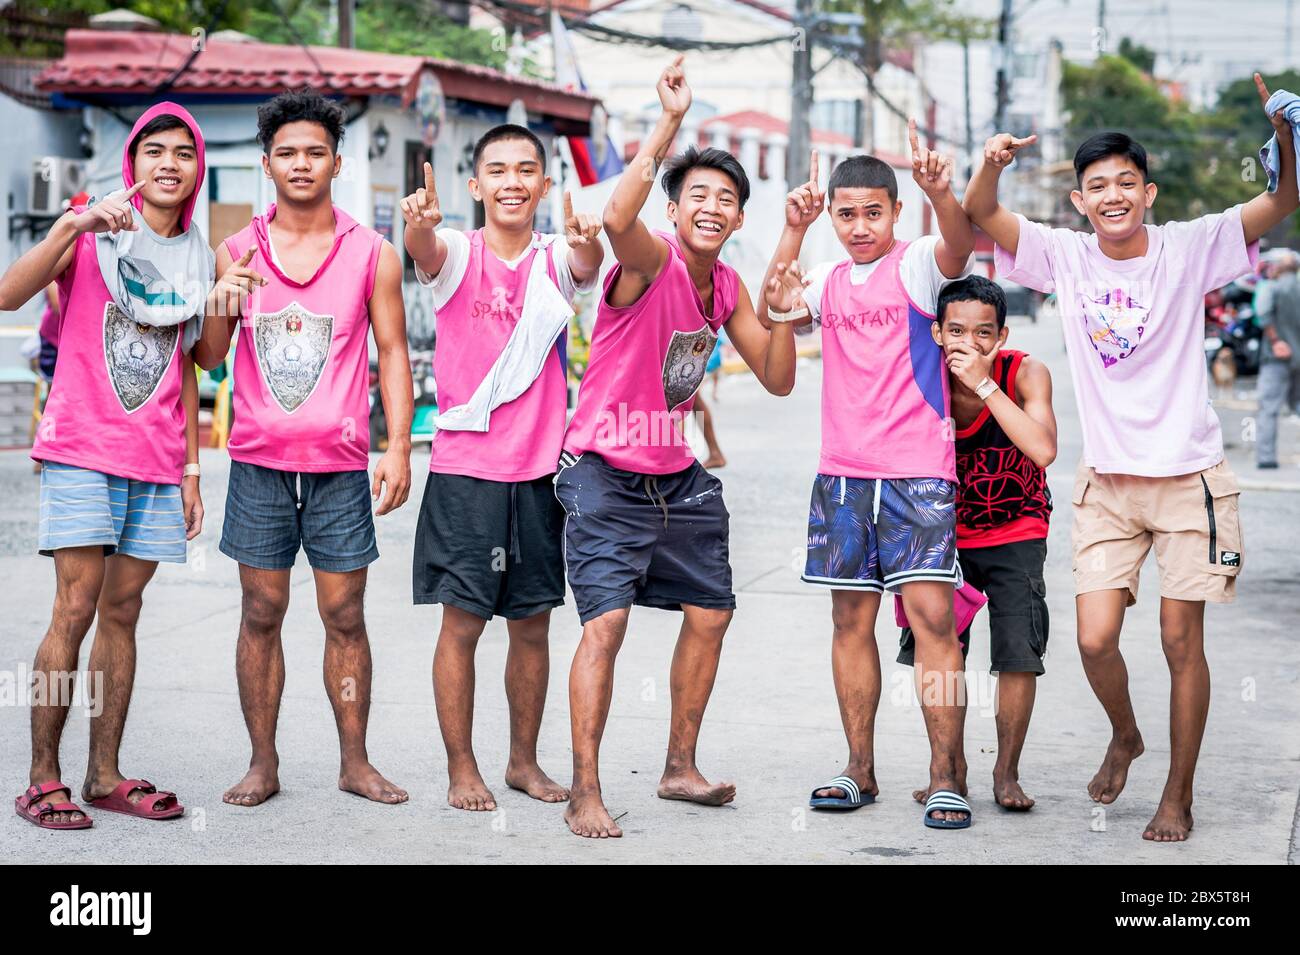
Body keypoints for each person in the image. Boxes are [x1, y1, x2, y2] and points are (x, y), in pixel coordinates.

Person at [963, 73, 1298, 841]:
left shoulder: (1189, 247)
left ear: (1147, 192)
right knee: (1093, 637)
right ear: (1079, 201)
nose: (1111, 194)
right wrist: (992, 161)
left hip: (1188, 480)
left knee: (1182, 641)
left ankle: (1178, 792)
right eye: (1095, 185)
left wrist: (1283, 135)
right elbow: (982, 213)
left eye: (1125, 182)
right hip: (1109, 486)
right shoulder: (1066, 257)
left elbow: (1281, 202)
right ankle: (1126, 732)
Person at [556, 56, 798, 838]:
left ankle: (678, 765)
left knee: (713, 610)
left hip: (674, 476)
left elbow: (777, 376)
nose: (713, 207)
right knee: (607, 625)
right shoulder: (650, 259)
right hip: (602, 470)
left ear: (736, 222)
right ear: (676, 206)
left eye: (727, 201)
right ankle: (583, 789)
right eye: (699, 194)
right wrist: (667, 126)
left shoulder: (724, 284)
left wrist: (787, 301)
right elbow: (617, 221)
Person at [193, 89, 414, 808]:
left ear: (337, 162)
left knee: (345, 614)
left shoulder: (372, 252)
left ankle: (355, 760)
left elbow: (392, 352)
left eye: (315, 151)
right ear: (266, 164)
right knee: (261, 610)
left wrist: (399, 447)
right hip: (258, 461)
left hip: (342, 467)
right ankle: (263, 761)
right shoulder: (236, 248)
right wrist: (219, 297)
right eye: (287, 152)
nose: (301, 163)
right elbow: (209, 357)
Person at [761, 120, 976, 828]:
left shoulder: (916, 264)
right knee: (849, 619)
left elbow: (959, 244)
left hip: (918, 475)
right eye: (845, 213)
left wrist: (941, 192)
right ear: (832, 214)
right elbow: (776, 308)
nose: (859, 226)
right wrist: (792, 230)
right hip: (844, 478)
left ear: (895, 211)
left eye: (872, 212)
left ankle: (946, 772)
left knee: (933, 619)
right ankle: (859, 767)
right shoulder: (824, 278)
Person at [3, 103, 212, 828]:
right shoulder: (90, 235)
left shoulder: (196, 256)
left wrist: (190, 470)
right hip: (82, 448)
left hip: (154, 462)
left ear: (196, 170)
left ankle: (104, 773)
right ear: (132, 163)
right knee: (75, 606)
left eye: (183, 153)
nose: (168, 163)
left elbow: (191, 364)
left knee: (123, 612)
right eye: (153, 150)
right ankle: (40, 777)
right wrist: (72, 225)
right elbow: (5, 294)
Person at [401, 125, 603, 812]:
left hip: (541, 476)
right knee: (460, 624)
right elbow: (424, 251)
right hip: (466, 474)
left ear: (544, 186)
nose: (513, 180)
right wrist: (419, 230)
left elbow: (586, 258)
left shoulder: (555, 257)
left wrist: (587, 238)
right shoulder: (458, 251)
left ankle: (523, 761)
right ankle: (462, 768)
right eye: (498, 170)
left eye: (527, 170)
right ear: (476, 185)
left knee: (534, 625)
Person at [897, 276, 1057, 812]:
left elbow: (1042, 450)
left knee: (1018, 655)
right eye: (957, 331)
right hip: (944, 536)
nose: (970, 343)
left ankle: (1006, 773)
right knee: (940, 651)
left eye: (984, 333)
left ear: (1002, 335)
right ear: (938, 333)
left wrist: (986, 384)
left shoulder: (1024, 371)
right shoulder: (924, 377)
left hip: (1017, 529)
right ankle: (950, 766)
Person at [1255, 253, 1300, 469]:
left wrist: (1275, 340)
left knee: (1269, 407)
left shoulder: (1272, 288)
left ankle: (1266, 458)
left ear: (1280, 269)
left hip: (1276, 356)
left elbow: (1262, 312)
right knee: (1297, 404)